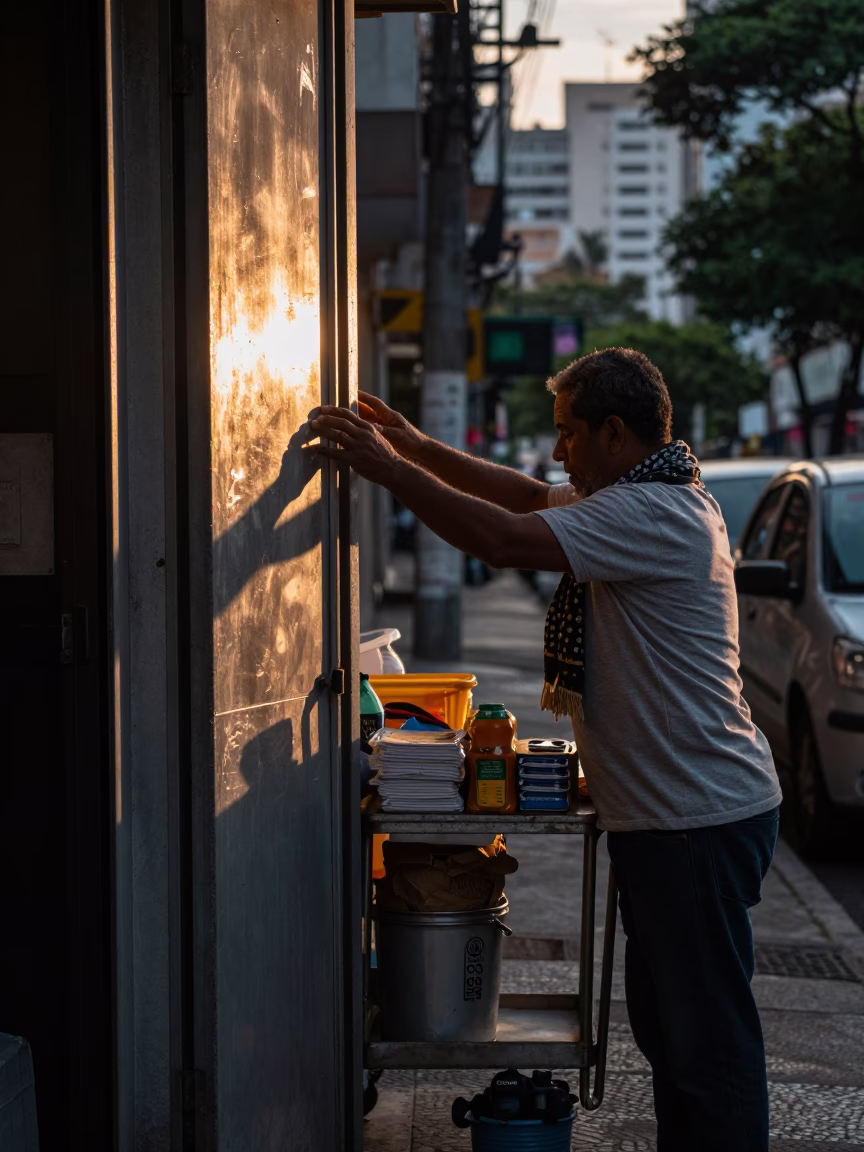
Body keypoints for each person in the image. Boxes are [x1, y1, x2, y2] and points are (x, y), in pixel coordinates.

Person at [306, 347, 782, 1152]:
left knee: (707, 1048)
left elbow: (502, 537)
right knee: (672, 1037)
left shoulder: (652, 512)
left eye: (569, 433)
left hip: (695, 820)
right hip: (671, 819)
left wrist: (388, 469)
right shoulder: (644, 493)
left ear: (614, 433)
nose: (558, 451)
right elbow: (526, 497)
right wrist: (417, 447)